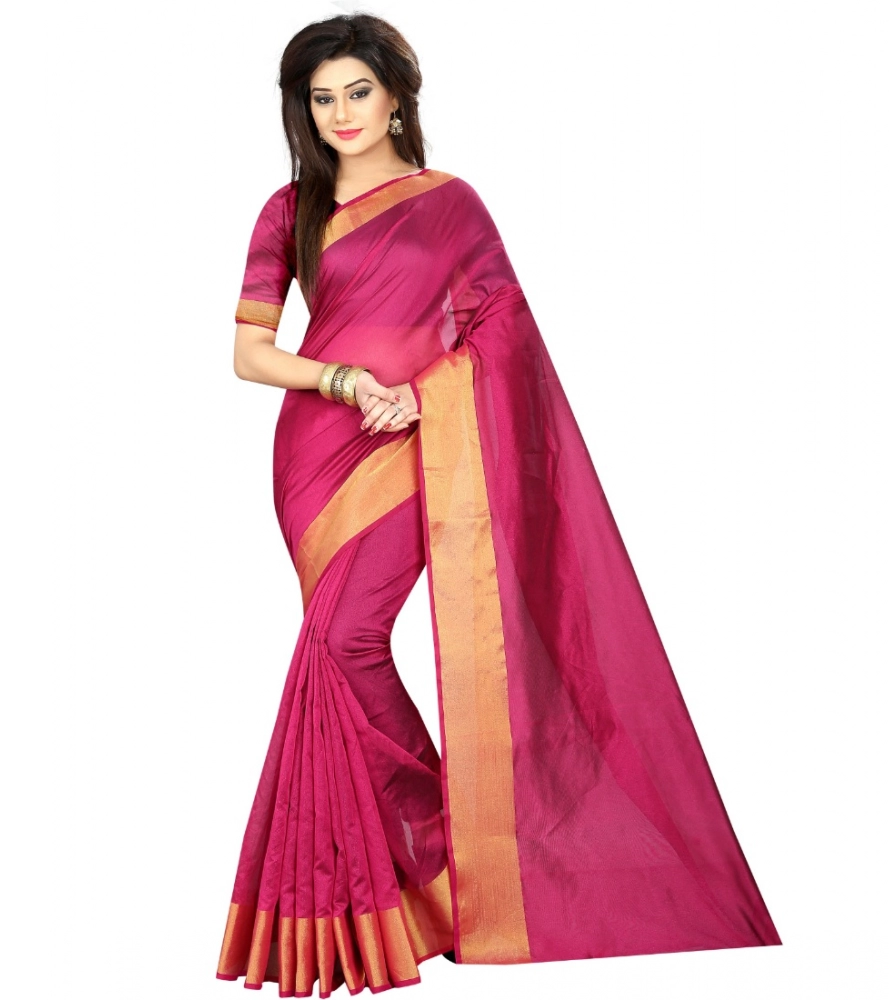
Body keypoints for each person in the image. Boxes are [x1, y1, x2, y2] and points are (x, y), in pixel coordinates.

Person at [215, 13, 781, 998]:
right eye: (322, 97)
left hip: (419, 443)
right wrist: (345, 381)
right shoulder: (289, 208)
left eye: (358, 92)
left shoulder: (451, 205)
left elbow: (502, 333)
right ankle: (422, 874)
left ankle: (438, 864)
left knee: (342, 646)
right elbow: (249, 353)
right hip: (317, 454)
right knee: (336, 653)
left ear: (397, 96)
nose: (342, 113)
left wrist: (420, 395)